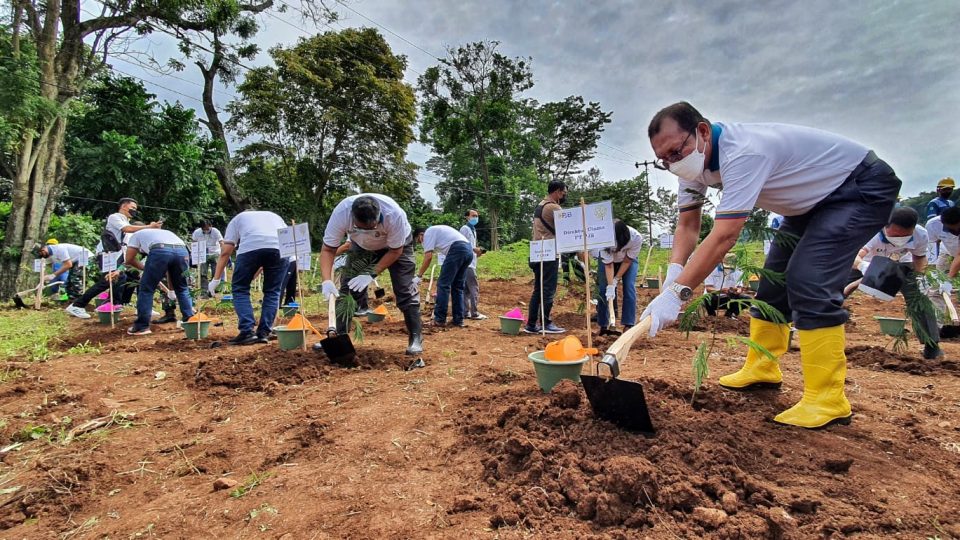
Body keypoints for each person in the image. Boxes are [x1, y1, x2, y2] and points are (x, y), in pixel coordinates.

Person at [643, 101, 900, 429]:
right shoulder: (691, 166)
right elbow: (688, 225)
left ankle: (827, 398)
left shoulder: (743, 153)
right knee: (773, 281)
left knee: (809, 280)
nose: (672, 163)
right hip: (807, 204)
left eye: (675, 153)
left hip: (857, 188)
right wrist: (675, 272)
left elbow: (724, 236)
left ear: (702, 131)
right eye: (664, 160)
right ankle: (762, 367)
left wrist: (677, 294)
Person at [317, 194, 422, 355]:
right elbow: (328, 249)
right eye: (362, 228)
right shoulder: (342, 213)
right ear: (353, 218)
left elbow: (395, 251)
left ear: (378, 216)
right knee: (346, 289)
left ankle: (415, 338)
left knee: (404, 289)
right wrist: (326, 281)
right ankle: (338, 336)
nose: (368, 231)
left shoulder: (394, 215)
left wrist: (370, 274)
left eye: (372, 228)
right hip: (361, 246)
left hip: (397, 247)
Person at [844, 208, 941, 359]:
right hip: (866, 262)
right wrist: (863, 266)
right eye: (895, 235)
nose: (900, 239)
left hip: (901, 264)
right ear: (885, 225)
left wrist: (922, 277)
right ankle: (820, 324)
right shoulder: (872, 230)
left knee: (919, 299)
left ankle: (931, 344)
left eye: (905, 236)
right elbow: (855, 256)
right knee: (834, 288)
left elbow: (919, 257)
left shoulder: (920, 234)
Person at [65, 198, 161, 318]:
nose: (134, 211)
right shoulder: (115, 218)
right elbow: (126, 228)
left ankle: (140, 307)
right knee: (110, 280)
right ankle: (78, 305)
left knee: (134, 275)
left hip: (118, 257)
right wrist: (149, 226)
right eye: (133, 208)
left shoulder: (128, 225)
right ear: (124, 206)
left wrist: (125, 264)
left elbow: (126, 248)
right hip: (107, 255)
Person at [208, 210, 290, 345]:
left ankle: (247, 331)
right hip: (280, 250)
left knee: (240, 288)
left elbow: (226, 251)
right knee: (273, 291)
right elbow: (285, 242)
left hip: (250, 250)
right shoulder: (275, 216)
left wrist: (216, 278)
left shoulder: (237, 218)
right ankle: (264, 332)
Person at [123, 228, 194, 335]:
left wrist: (145, 269)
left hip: (159, 250)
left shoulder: (135, 235)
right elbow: (170, 268)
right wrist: (171, 290)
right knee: (182, 288)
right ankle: (189, 321)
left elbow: (129, 259)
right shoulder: (162, 233)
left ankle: (142, 327)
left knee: (146, 289)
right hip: (182, 250)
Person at [526, 180, 568, 334]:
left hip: (537, 251)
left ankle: (532, 324)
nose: (564, 196)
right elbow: (566, 228)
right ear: (557, 191)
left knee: (538, 289)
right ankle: (546, 322)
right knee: (548, 289)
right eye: (563, 193)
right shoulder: (554, 207)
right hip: (549, 252)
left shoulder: (540, 205)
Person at [414, 225, 473, 327]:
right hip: (468, 250)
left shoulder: (428, 233)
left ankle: (439, 319)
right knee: (457, 287)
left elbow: (428, 257)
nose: (422, 243)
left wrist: (419, 276)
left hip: (457, 250)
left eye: (419, 241)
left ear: (421, 235)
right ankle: (458, 320)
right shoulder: (439, 231)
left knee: (443, 285)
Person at [596, 219, 642, 332]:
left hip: (627, 261)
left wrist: (616, 279)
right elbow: (609, 265)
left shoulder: (636, 238)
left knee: (629, 286)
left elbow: (627, 261)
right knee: (603, 289)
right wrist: (610, 285)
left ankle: (628, 324)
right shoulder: (602, 240)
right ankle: (604, 325)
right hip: (608, 263)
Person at [459, 209, 487, 320]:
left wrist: (477, 253)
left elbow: (470, 246)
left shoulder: (473, 230)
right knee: (474, 288)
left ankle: (465, 312)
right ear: (467, 217)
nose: (475, 218)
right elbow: (461, 244)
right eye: (473, 215)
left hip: (471, 262)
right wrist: (474, 249)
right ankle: (474, 313)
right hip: (467, 264)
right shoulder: (464, 229)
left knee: (466, 290)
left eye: (476, 216)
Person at [703, 253, 747, 318]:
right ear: (721, 261)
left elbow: (739, 287)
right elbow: (708, 288)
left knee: (746, 299)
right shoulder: (712, 270)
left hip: (729, 298)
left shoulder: (739, 272)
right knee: (707, 298)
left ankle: (729, 314)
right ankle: (711, 316)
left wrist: (737, 291)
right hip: (714, 298)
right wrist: (720, 291)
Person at [192, 220, 223, 292]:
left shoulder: (215, 231)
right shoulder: (197, 232)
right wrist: (194, 254)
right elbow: (194, 243)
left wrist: (223, 252)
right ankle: (205, 289)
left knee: (216, 271)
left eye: (207, 229)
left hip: (215, 253)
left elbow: (221, 241)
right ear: (201, 228)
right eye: (204, 229)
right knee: (203, 272)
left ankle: (215, 288)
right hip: (203, 254)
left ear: (211, 226)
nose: (206, 231)